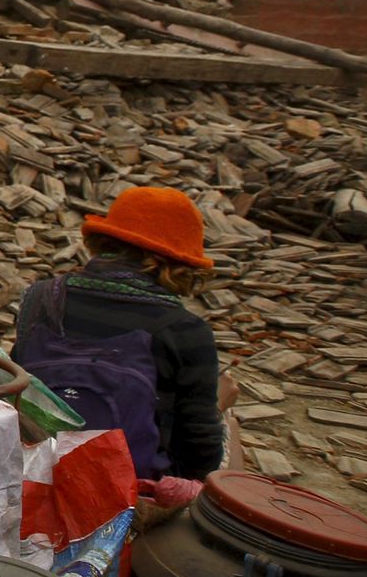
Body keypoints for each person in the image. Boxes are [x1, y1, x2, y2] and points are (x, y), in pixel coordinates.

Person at [12, 187, 236, 482]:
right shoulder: (185, 329)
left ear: (103, 240)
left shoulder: (41, 297)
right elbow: (200, 455)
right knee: (227, 413)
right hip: (127, 491)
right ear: (180, 264)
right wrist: (220, 408)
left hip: (26, 470)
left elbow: (12, 384)